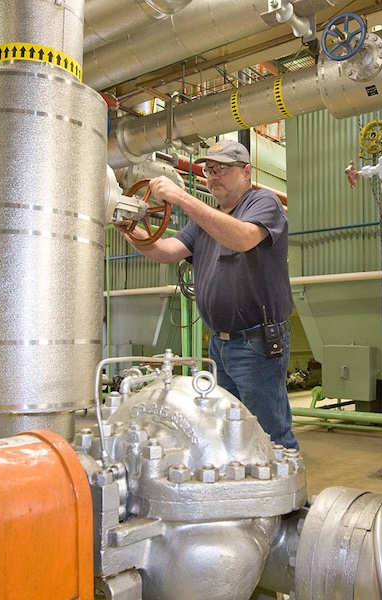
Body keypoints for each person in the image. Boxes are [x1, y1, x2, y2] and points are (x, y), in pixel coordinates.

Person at [117, 140, 299, 450]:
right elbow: (165, 251)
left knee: (271, 435)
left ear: (246, 171)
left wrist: (183, 199)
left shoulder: (263, 202)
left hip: (256, 344)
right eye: (209, 170)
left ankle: (292, 497)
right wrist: (130, 228)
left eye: (222, 169)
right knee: (227, 432)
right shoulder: (204, 221)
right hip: (219, 345)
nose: (213, 176)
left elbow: (243, 238)